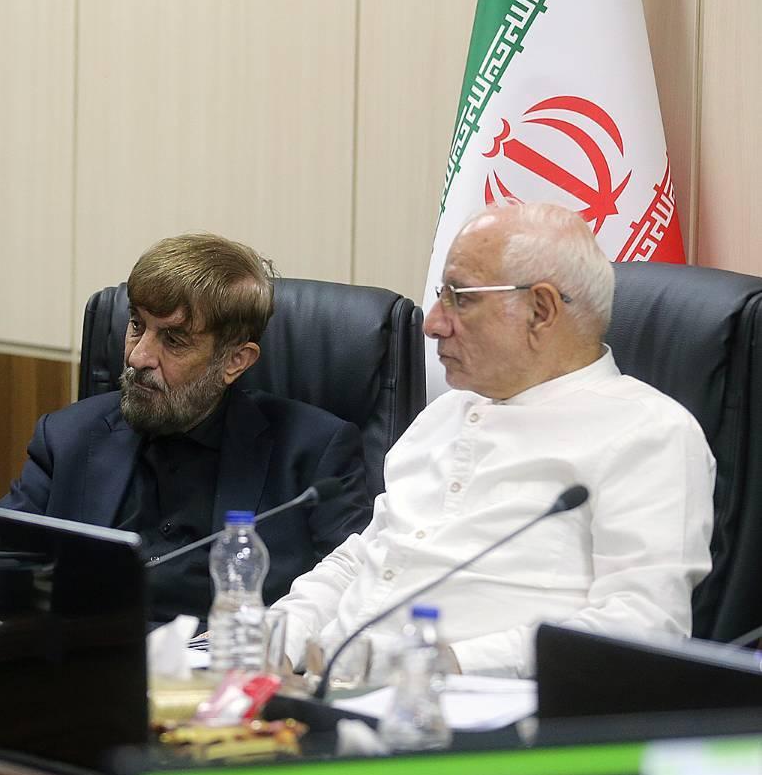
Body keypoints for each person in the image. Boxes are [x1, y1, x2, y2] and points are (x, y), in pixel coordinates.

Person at [274, 202, 715, 678]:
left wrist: (442, 665)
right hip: (321, 692)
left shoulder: (649, 432)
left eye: (460, 298)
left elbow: (642, 624)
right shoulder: (445, 412)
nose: (432, 323)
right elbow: (364, 558)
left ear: (540, 310)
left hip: (465, 707)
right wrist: (270, 641)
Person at [0, 233, 372, 623]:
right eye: (136, 325)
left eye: (174, 340)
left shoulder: (314, 456)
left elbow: (356, 597)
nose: (138, 356)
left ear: (235, 361)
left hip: (229, 657)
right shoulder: (66, 438)